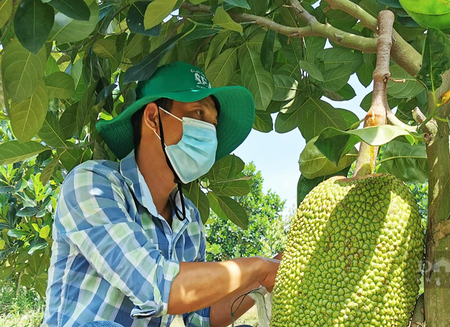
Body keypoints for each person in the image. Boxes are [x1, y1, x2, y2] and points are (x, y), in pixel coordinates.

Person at [42, 62, 280, 327]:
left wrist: (275, 269)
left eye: (212, 124)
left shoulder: (189, 219)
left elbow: (202, 315)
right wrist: (258, 267)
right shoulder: (92, 184)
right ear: (153, 117)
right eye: (198, 113)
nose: (209, 133)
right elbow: (155, 285)